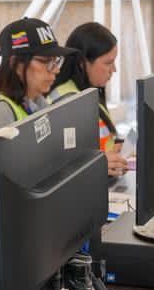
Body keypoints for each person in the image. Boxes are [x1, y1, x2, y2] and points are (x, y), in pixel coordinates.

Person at [0, 16, 76, 173]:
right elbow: (3, 183)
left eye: (56, 61)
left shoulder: (38, 102)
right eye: (45, 61)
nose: (56, 69)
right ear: (14, 63)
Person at [51, 22, 129, 177]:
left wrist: (117, 148)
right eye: (108, 63)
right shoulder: (67, 102)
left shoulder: (89, 91)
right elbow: (62, 163)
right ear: (82, 63)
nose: (114, 70)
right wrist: (97, 164)